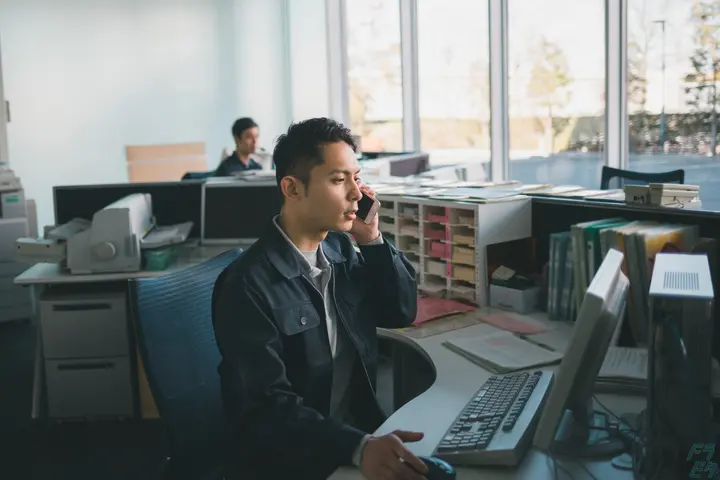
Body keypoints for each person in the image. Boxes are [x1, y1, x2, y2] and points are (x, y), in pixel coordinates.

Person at [212, 117, 428, 480]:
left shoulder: (341, 251)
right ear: (292, 188)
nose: (357, 194)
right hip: (299, 460)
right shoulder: (246, 285)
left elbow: (400, 310)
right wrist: (358, 448)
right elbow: (267, 409)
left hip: (356, 440)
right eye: (338, 180)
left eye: (355, 178)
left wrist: (372, 240)